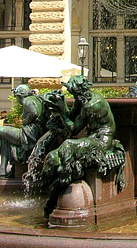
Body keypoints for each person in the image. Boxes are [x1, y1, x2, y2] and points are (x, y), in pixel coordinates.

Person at [41, 75, 125, 217]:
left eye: (72, 93)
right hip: (89, 138)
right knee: (52, 157)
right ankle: (47, 191)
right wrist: (60, 103)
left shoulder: (91, 104)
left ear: (79, 91)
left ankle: (60, 185)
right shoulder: (82, 99)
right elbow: (72, 115)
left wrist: (61, 110)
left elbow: (74, 129)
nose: (72, 96)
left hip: (101, 142)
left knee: (68, 145)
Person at [0, 84, 47, 178]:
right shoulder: (35, 99)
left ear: (19, 96)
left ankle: (2, 171)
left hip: (29, 136)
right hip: (35, 133)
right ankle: (2, 171)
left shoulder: (26, 100)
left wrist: (25, 121)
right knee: (5, 138)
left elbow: (34, 113)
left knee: (1, 130)